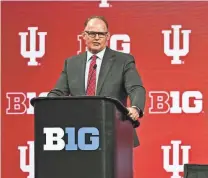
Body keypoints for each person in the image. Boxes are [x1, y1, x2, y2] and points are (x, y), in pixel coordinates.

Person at [48, 15, 146, 147]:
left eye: (101, 34)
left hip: (113, 131)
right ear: (84, 35)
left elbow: (135, 88)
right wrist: (46, 105)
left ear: (108, 36)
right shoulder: (71, 63)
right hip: (77, 134)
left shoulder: (123, 61)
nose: (97, 37)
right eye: (92, 33)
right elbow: (58, 92)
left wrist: (135, 108)